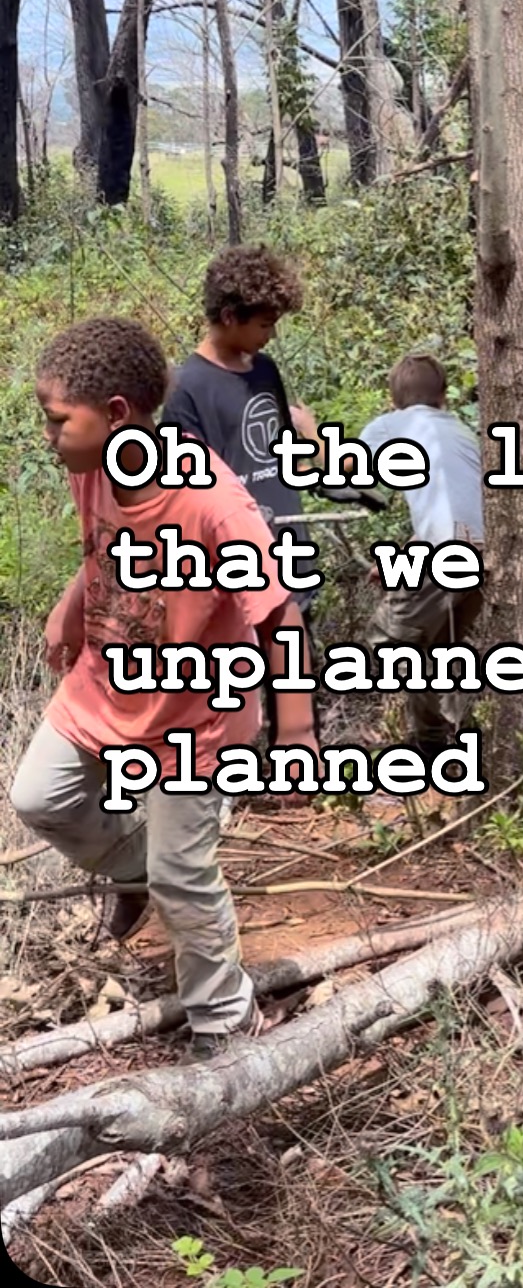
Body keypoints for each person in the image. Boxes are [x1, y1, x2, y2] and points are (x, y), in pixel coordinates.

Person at [9, 317, 319, 1060]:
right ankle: (133, 870)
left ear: (117, 415)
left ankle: (225, 1021)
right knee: (38, 798)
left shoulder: (213, 503)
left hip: (195, 718)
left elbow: (279, 617)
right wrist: (69, 609)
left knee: (187, 874)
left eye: (57, 421)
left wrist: (299, 735)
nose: (48, 437)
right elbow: (102, 550)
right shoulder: (95, 467)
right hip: (106, 683)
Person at [162, 246, 323, 611]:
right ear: (230, 316)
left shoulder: (265, 370)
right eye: (265, 325)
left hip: (292, 563)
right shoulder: (186, 390)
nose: (272, 335)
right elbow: (186, 497)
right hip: (242, 577)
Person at [359, 353, 484, 777]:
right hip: (480, 554)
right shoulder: (465, 434)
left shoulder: (393, 426)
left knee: (387, 640)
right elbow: (452, 503)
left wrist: (307, 433)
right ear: (444, 398)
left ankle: (447, 733)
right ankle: (439, 741)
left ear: (393, 402)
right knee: (435, 649)